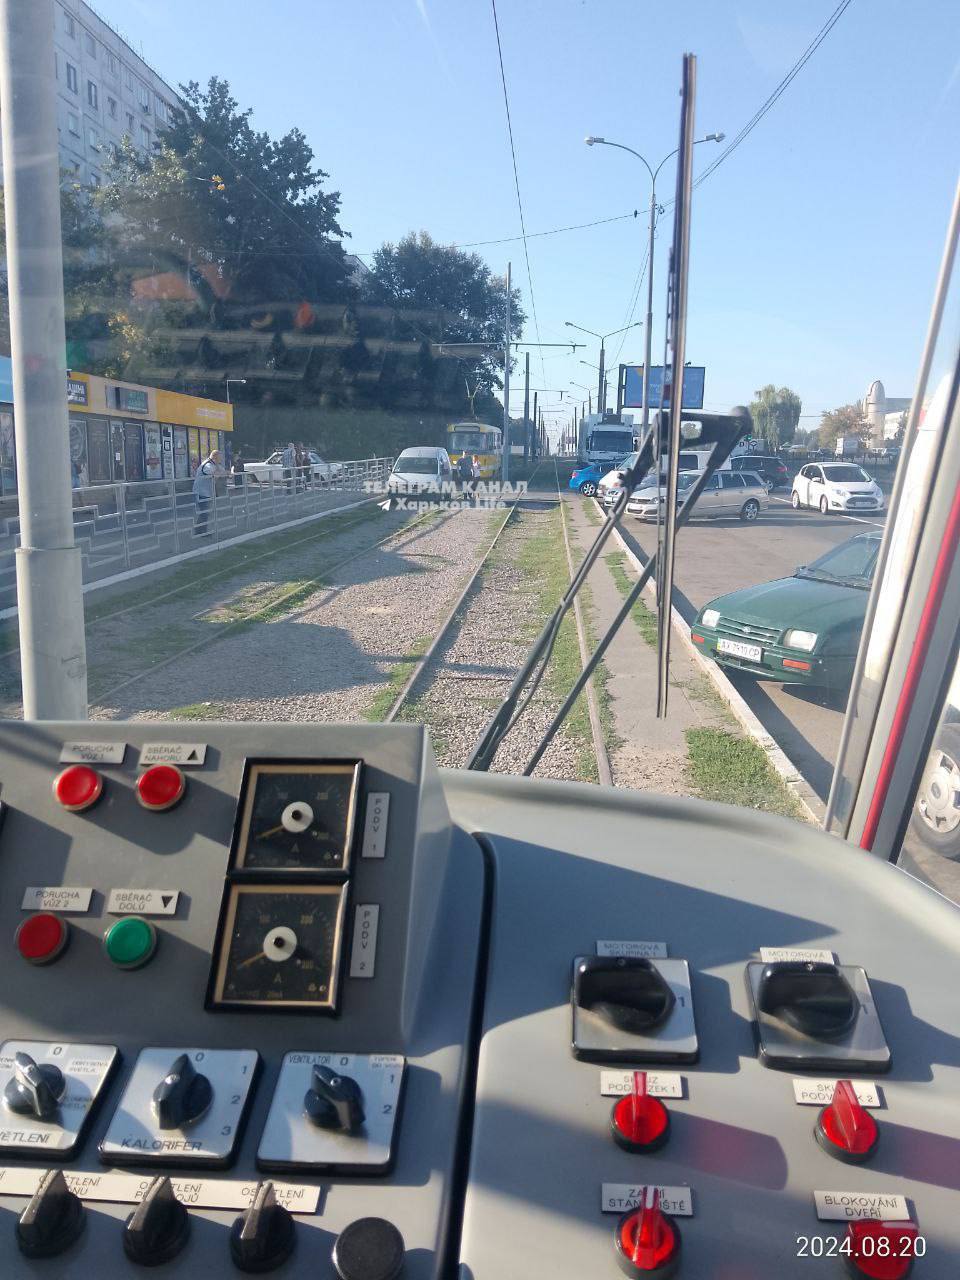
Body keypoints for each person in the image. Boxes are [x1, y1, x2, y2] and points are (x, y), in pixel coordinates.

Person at [193, 448, 224, 536]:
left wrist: (228, 472)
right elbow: (215, 474)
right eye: (220, 458)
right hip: (201, 492)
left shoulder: (214, 464)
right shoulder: (207, 465)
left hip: (206, 491)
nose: (221, 460)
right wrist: (221, 473)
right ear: (215, 457)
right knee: (205, 512)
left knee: (205, 512)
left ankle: (200, 530)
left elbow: (223, 471)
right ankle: (201, 531)